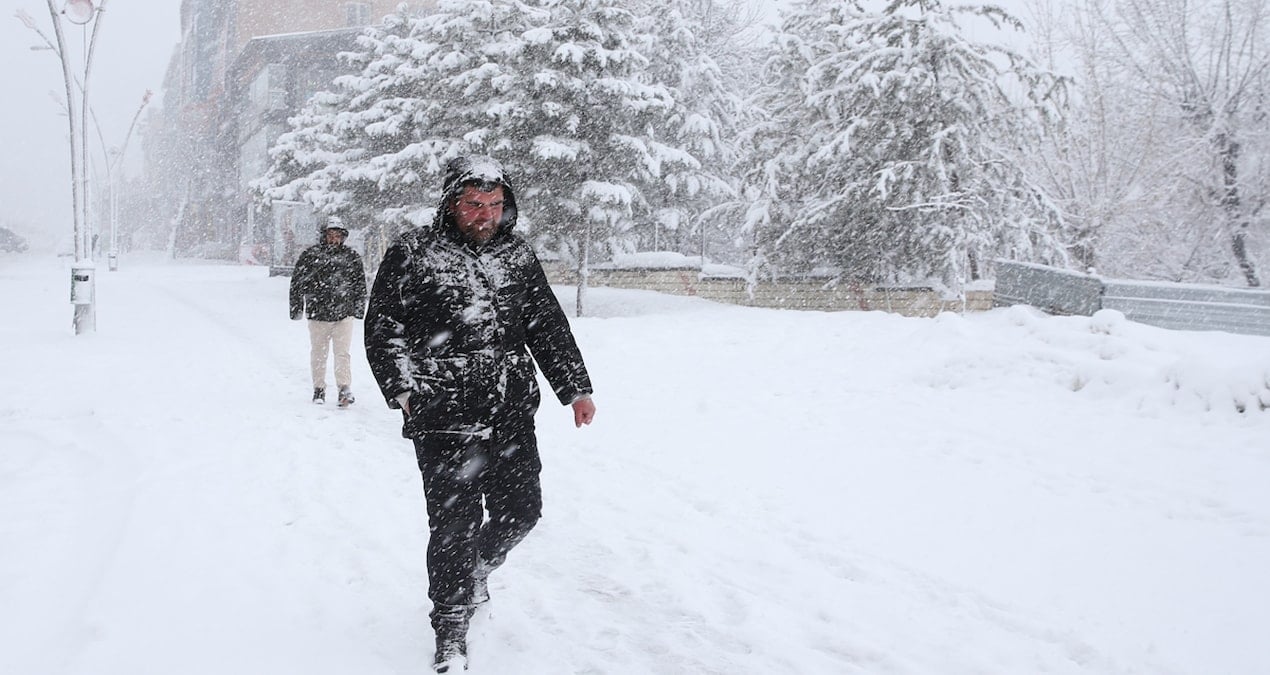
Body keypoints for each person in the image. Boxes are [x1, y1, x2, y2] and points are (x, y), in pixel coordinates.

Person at [364, 156, 596, 672]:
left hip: (511, 412)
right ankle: (450, 626)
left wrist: (574, 387)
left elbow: (546, 324)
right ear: (451, 202)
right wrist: (406, 393)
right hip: (444, 416)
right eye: (473, 204)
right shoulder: (413, 252)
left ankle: (476, 570)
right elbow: (383, 328)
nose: (484, 214)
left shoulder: (517, 256)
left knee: (523, 511)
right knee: (454, 525)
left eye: (494, 205)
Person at [289, 220, 367, 407]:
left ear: (343, 237)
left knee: (342, 353)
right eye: (330, 235)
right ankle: (319, 389)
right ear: (323, 236)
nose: (334, 239)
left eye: (338, 235)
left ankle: (344, 388)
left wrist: (358, 308)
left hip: (344, 314)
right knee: (319, 353)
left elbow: (359, 284)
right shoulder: (310, 256)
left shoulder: (351, 257)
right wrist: (296, 307)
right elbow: (297, 282)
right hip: (318, 314)